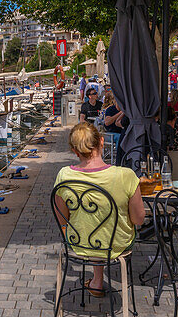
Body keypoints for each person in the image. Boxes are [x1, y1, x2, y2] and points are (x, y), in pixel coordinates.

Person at [53, 121, 145, 297]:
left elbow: (62, 219)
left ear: (75, 150)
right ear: (101, 141)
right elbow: (139, 219)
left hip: (78, 243)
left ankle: (96, 282)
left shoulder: (64, 175)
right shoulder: (125, 176)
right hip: (117, 244)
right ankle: (97, 281)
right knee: (106, 227)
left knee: (91, 224)